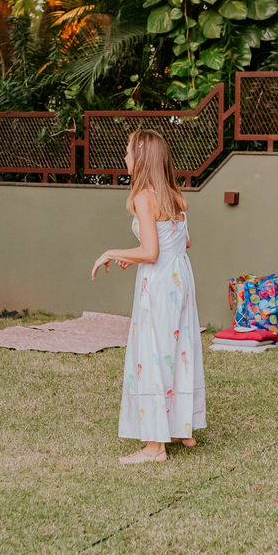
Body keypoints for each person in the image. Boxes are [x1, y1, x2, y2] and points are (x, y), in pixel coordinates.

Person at [91, 129, 205, 464]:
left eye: (128, 152)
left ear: (140, 159)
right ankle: (183, 428)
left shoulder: (144, 196)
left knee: (154, 351)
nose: (125, 158)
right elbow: (182, 242)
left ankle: (155, 447)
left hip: (158, 283)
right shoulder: (174, 194)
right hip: (180, 277)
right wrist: (136, 254)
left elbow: (152, 251)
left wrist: (112, 251)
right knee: (179, 347)